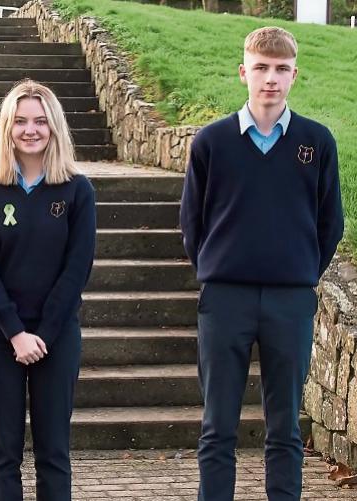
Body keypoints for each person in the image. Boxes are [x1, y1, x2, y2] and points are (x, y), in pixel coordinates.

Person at [180, 26, 344, 501]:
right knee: (217, 428)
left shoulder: (317, 142)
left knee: (285, 429)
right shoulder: (212, 142)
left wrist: (302, 272)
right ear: (243, 73)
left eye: (280, 69)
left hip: (290, 300)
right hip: (225, 299)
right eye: (260, 68)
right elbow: (192, 221)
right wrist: (217, 266)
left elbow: (329, 222)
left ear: (294, 75)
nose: (270, 79)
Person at [0, 79, 96, 501]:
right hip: (0, 334)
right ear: (7, 128)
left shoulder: (77, 190)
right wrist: (15, 332)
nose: (30, 130)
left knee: (53, 452)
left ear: (54, 126)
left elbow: (77, 269)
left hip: (56, 335)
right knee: (3, 453)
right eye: (20, 121)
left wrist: (44, 332)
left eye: (40, 121)